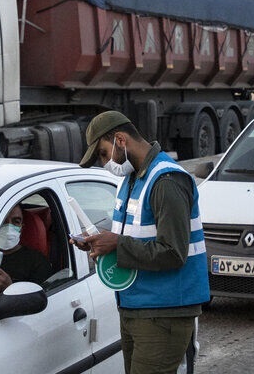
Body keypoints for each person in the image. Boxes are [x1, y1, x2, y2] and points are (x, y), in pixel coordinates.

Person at [75, 110, 209, 374]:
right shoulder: (133, 179)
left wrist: (116, 245)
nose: (104, 164)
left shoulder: (166, 180)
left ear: (120, 140)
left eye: (103, 154)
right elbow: (136, 235)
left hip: (163, 312)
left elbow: (173, 252)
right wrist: (99, 242)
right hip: (137, 307)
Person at [0, 203, 52, 295]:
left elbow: (38, 301)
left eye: (16, 222)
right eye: (2, 221)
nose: (9, 227)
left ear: (21, 227)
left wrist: (10, 289)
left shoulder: (36, 262)